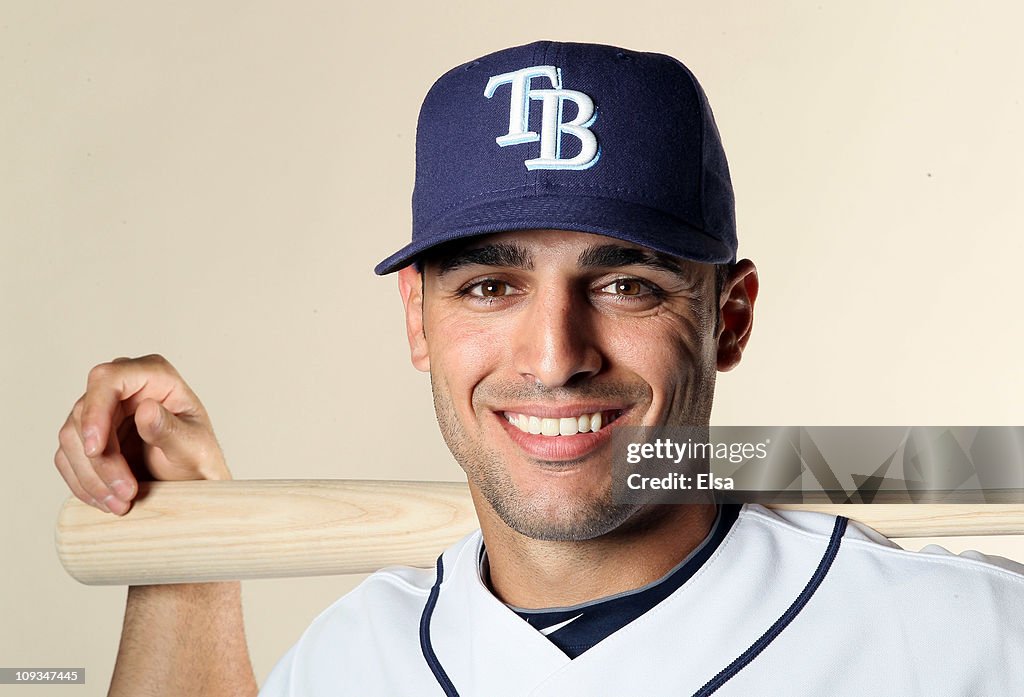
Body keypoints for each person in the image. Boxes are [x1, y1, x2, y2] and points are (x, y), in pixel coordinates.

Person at [54, 41, 1023, 696]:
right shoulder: (354, 662)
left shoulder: (974, 644)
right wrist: (187, 551)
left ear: (728, 316)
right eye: (487, 287)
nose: (554, 358)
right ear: (418, 321)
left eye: (626, 284)